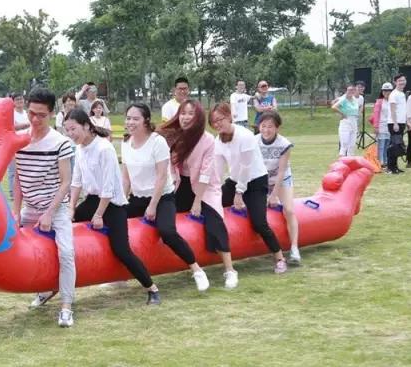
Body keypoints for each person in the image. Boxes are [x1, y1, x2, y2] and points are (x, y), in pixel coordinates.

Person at [66, 107, 162, 305]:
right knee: (63, 225)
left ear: (86, 126)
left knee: (121, 250)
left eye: (73, 129)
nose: (70, 134)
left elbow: (108, 188)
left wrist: (99, 215)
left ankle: (152, 289)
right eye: (67, 130)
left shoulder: (104, 149)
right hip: (93, 200)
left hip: (112, 205)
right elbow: (76, 182)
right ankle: (50, 288)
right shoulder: (80, 148)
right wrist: (71, 208)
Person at [122, 103, 210, 291]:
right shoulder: (126, 143)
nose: (130, 122)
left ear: (146, 120)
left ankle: (196, 269)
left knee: (167, 232)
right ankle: (121, 274)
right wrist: (120, 203)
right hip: (138, 197)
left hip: (162, 197)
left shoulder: (157, 142)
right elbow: (126, 178)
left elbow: (162, 176)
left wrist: (153, 205)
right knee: (115, 225)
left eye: (135, 118)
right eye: (128, 118)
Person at [12, 88, 76, 328]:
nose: (35, 119)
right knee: (20, 250)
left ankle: (67, 307)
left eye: (41, 115)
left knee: (66, 253)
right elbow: (18, 179)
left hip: (55, 207)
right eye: (31, 113)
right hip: (29, 207)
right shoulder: (19, 140)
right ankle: (45, 289)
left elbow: (66, 182)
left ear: (51, 114)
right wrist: (16, 211)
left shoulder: (61, 143)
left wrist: (49, 212)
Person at [158, 100, 239, 289]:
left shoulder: (208, 140)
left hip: (205, 187)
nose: (185, 117)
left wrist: (197, 202)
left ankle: (230, 270)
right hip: (181, 184)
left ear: (199, 118)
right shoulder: (174, 136)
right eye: (183, 113)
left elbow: (205, 173)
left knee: (214, 221)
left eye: (190, 114)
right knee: (165, 217)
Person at [209, 102, 288, 274]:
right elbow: (218, 170)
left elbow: (246, 167)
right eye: (214, 122)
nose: (217, 124)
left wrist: (239, 194)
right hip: (235, 180)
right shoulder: (218, 141)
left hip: (255, 182)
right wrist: (212, 191)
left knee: (259, 223)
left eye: (220, 119)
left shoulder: (245, 136)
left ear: (229, 117)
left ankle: (280, 258)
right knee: (211, 208)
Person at [256, 111, 300, 264]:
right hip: (262, 180)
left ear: (277, 128)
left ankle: (294, 248)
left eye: (270, 126)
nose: (266, 130)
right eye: (263, 126)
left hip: (281, 180)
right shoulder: (254, 141)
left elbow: (281, 172)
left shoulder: (284, 144)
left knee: (289, 210)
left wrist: (274, 195)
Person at [7, 93, 31, 200]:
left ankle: (25, 191)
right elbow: (12, 127)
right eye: (17, 99)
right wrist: (26, 125)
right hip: (15, 145)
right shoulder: (11, 114)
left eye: (21, 99)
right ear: (13, 102)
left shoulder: (26, 113)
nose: (20, 101)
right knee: (13, 170)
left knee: (26, 169)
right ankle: (12, 192)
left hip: (27, 145)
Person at [387, 74, 408, 174]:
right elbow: (393, 110)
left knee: (397, 145)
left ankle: (395, 166)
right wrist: (395, 123)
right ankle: (391, 168)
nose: (402, 82)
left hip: (401, 122)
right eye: (400, 81)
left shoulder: (402, 94)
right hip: (394, 123)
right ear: (395, 82)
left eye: (403, 80)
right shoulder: (393, 94)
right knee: (394, 145)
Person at [331, 84, 360, 157]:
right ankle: (342, 160)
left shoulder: (354, 99)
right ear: (346, 91)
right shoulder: (343, 99)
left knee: (352, 144)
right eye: (349, 90)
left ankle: (350, 159)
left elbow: (358, 109)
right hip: (346, 121)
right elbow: (334, 106)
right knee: (345, 143)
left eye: (352, 90)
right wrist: (342, 113)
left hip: (354, 121)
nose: (351, 92)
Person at [369, 83, 393, 168]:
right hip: (381, 126)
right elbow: (376, 115)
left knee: (388, 145)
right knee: (381, 145)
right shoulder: (379, 102)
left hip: (390, 126)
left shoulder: (392, 101)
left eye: (389, 91)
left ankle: (386, 161)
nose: (387, 92)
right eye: (385, 91)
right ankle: (380, 162)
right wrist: (376, 126)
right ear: (382, 92)